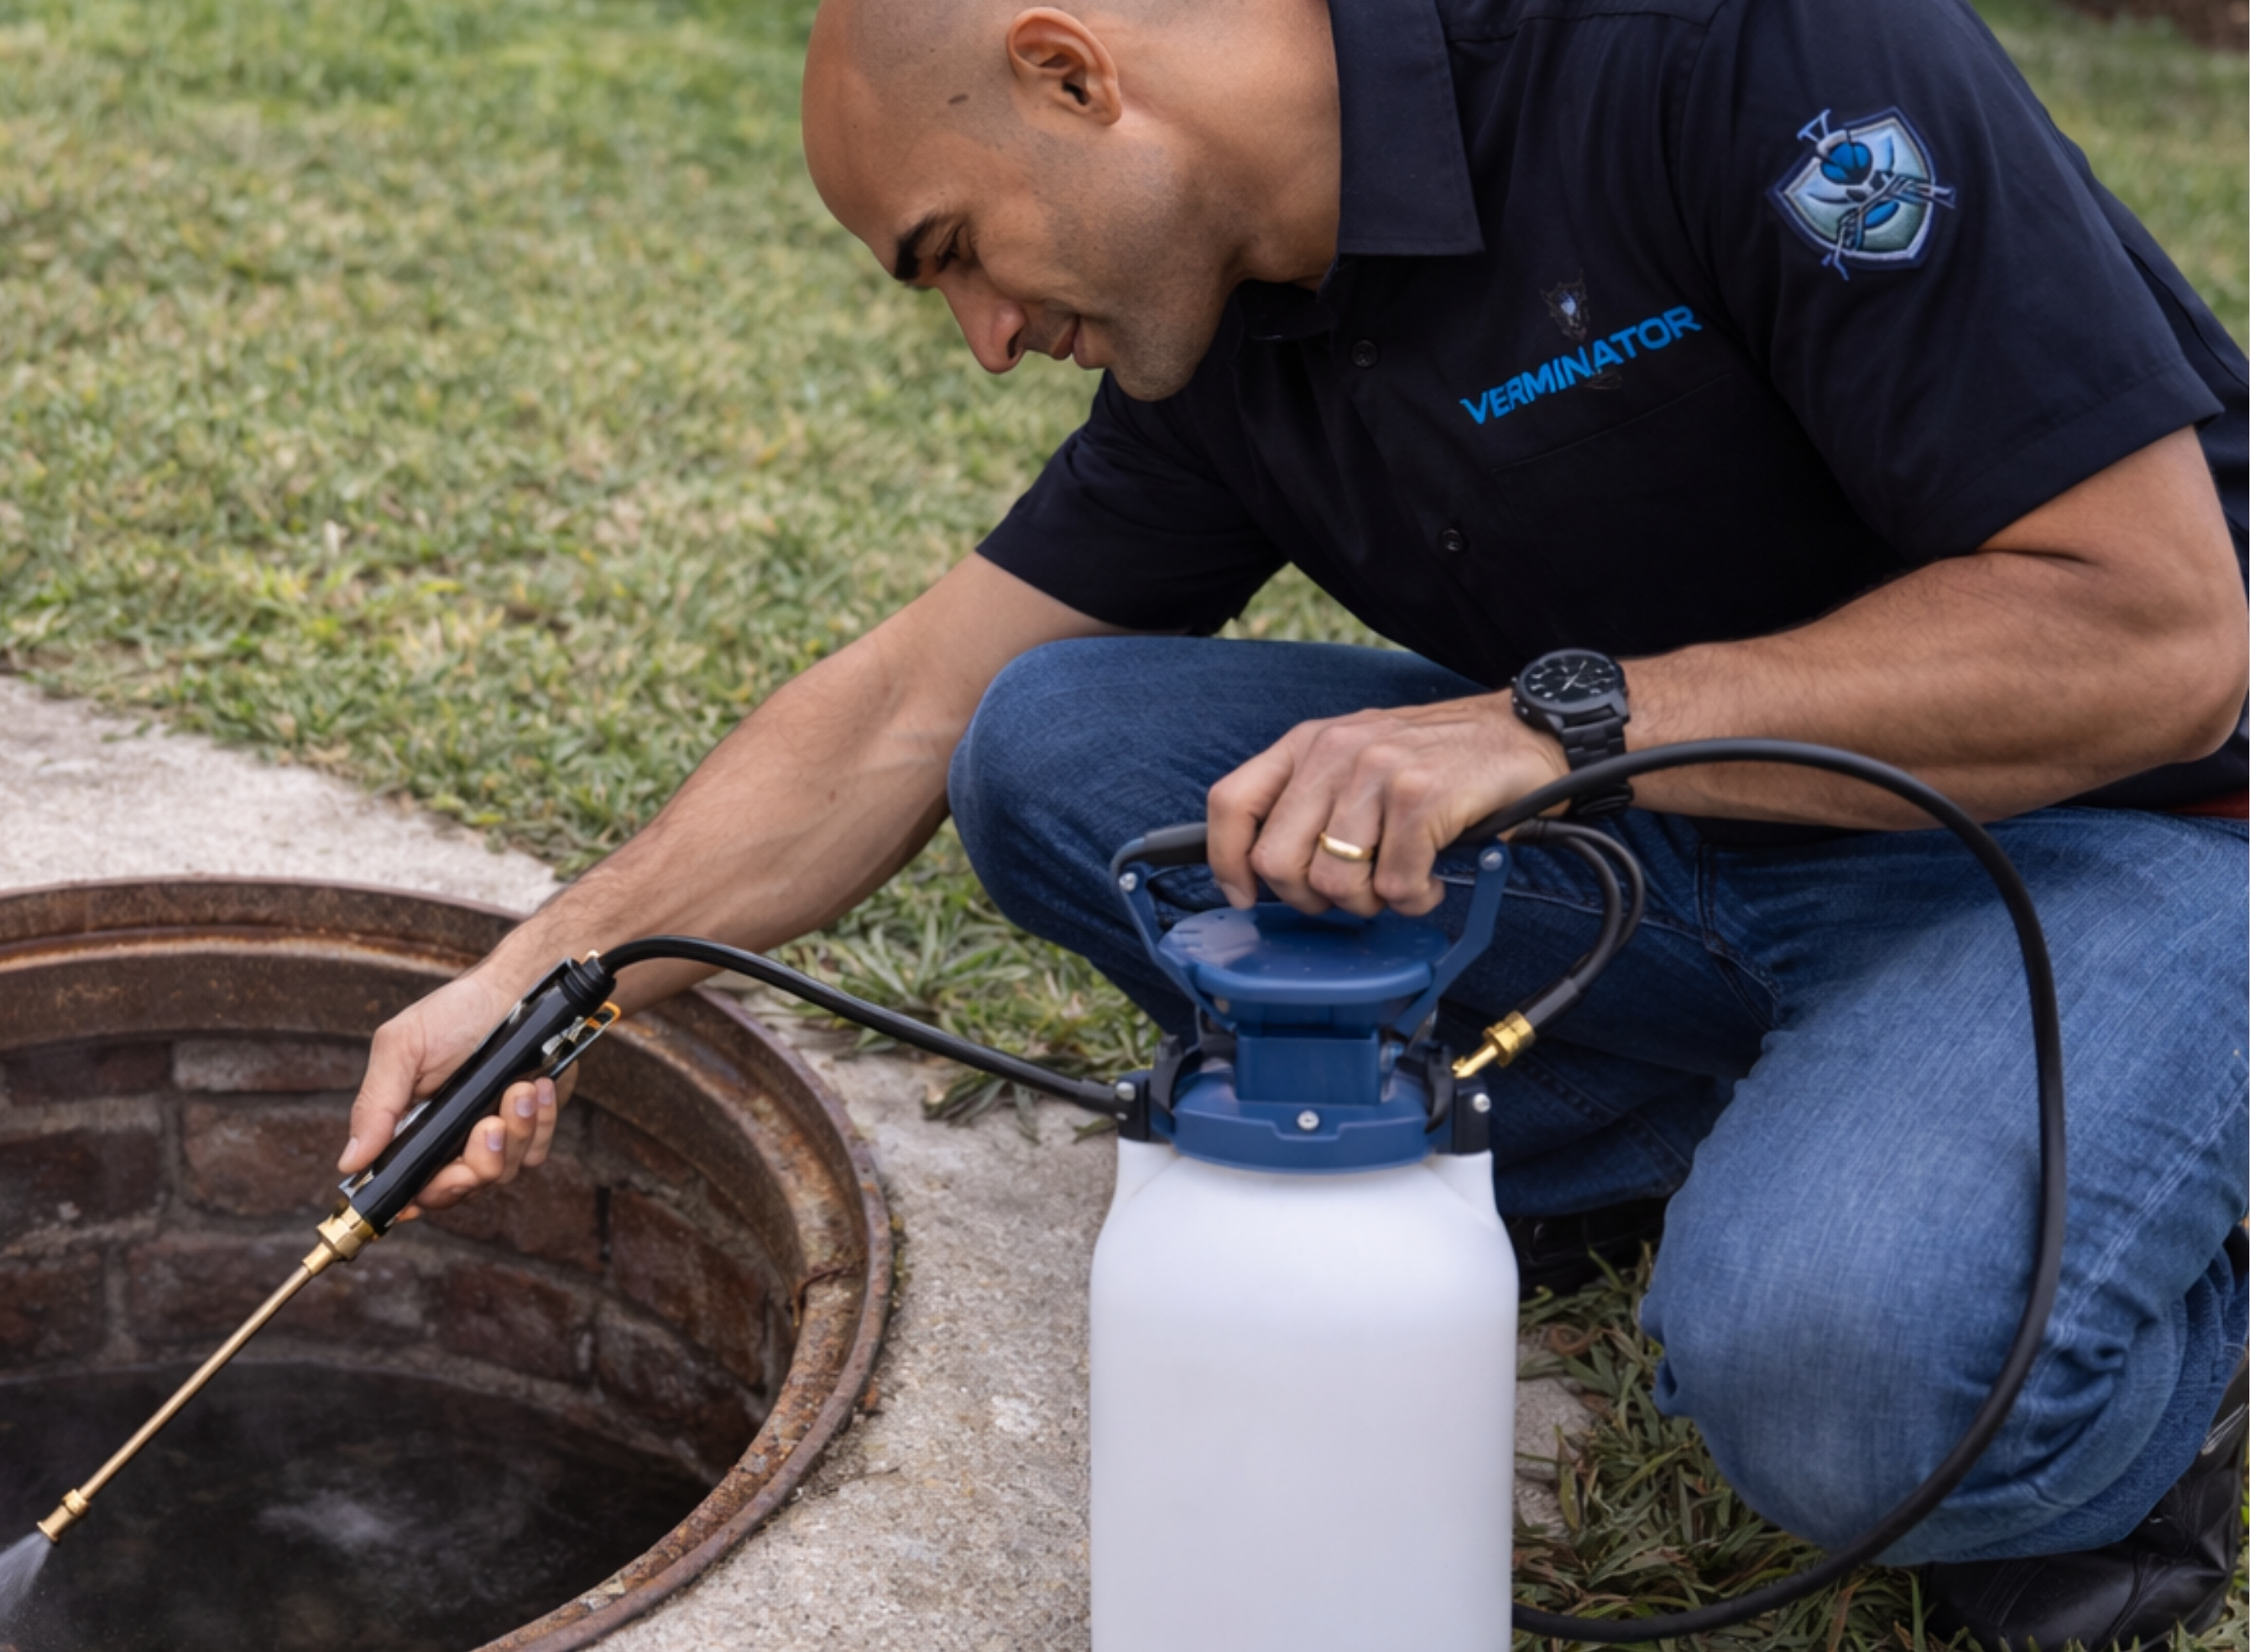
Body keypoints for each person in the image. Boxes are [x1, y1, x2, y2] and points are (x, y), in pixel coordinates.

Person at [338, 0, 2250, 1637]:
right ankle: (1777, 1128)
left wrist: (1545, 721)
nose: (985, 336)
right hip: (1690, 844)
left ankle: (2152, 1279)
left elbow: (2156, 639)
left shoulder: (1729, 55)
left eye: (953, 251)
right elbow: (907, 713)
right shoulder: (1245, 312)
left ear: (1073, 72)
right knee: (1050, 750)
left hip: (2137, 826)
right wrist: (543, 972)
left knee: (1847, 1383)